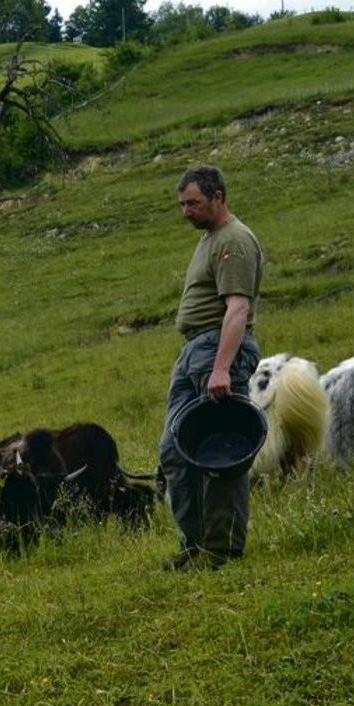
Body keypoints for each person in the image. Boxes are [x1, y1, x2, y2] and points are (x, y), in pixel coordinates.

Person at [159, 165, 263, 571]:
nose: (186, 211)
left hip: (217, 351)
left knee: (221, 451)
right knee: (175, 450)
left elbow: (238, 308)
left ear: (218, 197)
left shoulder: (233, 241)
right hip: (195, 353)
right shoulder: (210, 238)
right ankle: (195, 544)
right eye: (182, 204)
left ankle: (221, 550)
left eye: (193, 203)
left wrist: (221, 367)